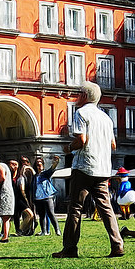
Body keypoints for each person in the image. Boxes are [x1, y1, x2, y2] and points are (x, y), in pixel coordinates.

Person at [55, 81, 124, 258]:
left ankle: (70, 248)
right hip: (103, 168)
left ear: (84, 96)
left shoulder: (81, 113)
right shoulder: (106, 118)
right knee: (106, 208)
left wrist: (68, 148)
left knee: (75, 208)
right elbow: (113, 144)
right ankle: (117, 244)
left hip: (84, 166)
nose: (76, 97)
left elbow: (81, 140)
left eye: (79, 94)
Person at [33, 155, 62, 236]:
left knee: (51, 213)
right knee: (41, 215)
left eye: (41, 163)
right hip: (38, 198)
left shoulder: (45, 174)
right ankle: (44, 231)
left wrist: (55, 163)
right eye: (38, 164)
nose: (39, 166)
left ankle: (57, 230)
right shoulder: (35, 176)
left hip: (47, 196)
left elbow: (52, 169)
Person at [9, 159, 35, 236]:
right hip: (12, 198)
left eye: (15, 164)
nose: (13, 166)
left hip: (20, 198)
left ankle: (21, 230)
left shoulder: (20, 175)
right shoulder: (8, 175)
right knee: (15, 216)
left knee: (30, 214)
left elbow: (33, 173)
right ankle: (17, 230)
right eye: (11, 164)